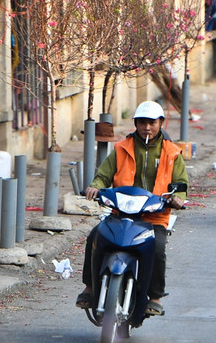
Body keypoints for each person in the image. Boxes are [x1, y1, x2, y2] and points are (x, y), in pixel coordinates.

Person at [77, 101, 187, 316]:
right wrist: (96, 187)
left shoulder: (172, 152)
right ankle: (89, 288)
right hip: (122, 212)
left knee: (157, 248)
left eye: (152, 123)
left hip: (154, 216)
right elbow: (103, 175)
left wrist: (178, 198)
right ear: (136, 124)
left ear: (161, 123)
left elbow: (181, 183)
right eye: (142, 122)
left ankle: (155, 297)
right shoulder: (121, 148)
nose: (147, 127)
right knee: (95, 237)